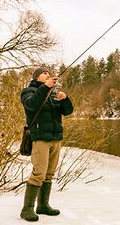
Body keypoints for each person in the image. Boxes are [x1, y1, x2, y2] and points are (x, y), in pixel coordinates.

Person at [19, 67, 74, 222]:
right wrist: (45, 87)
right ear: (37, 77)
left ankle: (43, 206)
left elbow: (68, 111)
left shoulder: (53, 94)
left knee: (49, 174)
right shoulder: (28, 91)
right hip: (40, 139)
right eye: (45, 74)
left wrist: (65, 99)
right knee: (39, 174)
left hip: (56, 139)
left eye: (49, 74)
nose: (48, 76)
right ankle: (26, 210)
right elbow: (31, 105)